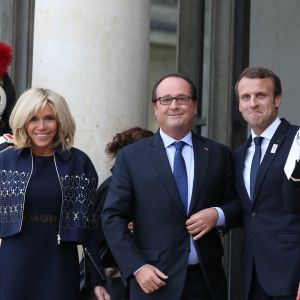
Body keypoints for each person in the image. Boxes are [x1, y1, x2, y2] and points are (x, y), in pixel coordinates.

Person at [102, 73, 241, 300]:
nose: (174, 105)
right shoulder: (132, 157)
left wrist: (217, 214)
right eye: (166, 100)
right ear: (155, 108)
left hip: (206, 281)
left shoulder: (218, 154)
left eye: (182, 99)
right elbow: (112, 217)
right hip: (153, 281)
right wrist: (137, 267)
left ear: (194, 106)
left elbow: (236, 205)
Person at [0, 88, 111, 300]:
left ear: (60, 121)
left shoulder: (78, 163)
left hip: (59, 261)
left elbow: (88, 227)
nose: (41, 127)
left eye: (49, 118)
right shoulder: (5, 161)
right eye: (33, 119)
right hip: (14, 260)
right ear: (23, 121)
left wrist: (97, 280)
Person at [234, 66, 300, 300]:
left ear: (277, 99)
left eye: (261, 95)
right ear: (240, 105)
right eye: (246, 97)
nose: (253, 103)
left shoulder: (298, 140)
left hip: (292, 276)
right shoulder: (239, 154)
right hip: (252, 278)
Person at [80, 127, 153, 300]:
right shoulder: (112, 189)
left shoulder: (136, 187)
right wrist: (97, 281)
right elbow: (94, 238)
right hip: (111, 280)